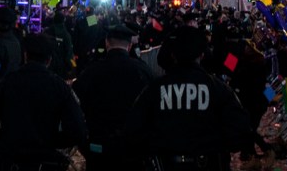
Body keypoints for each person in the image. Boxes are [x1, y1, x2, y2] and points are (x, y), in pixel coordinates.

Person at [128, 25, 252, 171]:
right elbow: (240, 131)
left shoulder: (154, 89)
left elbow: (133, 132)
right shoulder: (217, 88)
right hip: (207, 163)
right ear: (202, 54)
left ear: (172, 54)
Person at [0, 32, 89, 171]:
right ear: (49, 60)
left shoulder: (7, 82)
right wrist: (53, 141)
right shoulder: (59, 87)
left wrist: (5, 140)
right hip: (44, 161)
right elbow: (78, 129)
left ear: (25, 55)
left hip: (10, 159)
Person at [73, 21, 160, 171]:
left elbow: (74, 106)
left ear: (107, 44)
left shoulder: (91, 71)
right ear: (129, 46)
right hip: (133, 149)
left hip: (99, 147)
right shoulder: (143, 71)